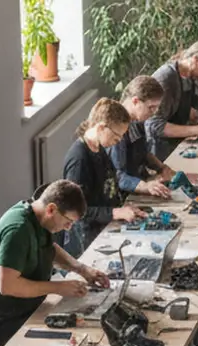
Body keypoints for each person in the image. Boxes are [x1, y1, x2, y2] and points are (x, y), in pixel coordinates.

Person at [0, 180, 112, 346]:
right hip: (3, 322)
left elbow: (48, 248)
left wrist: (82, 269)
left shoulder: (39, 219)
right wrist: (58, 287)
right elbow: (8, 285)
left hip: (27, 310)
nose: (68, 228)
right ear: (51, 209)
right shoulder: (18, 229)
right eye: (68, 221)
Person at [62, 98, 147, 257]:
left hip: (104, 227)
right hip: (86, 239)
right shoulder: (79, 160)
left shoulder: (100, 147)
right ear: (101, 127)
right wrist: (114, 213)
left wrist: (124, 209)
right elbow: (75, 211)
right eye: (117, 135)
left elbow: (109, 186)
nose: (119, 141)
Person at [148, 40, 198, 160]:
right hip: (160, 152)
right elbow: (154, 126)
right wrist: (197, 130)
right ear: (196, 59)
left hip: (177, 145)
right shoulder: (166, 78)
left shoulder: (188, 77)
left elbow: (176, 106)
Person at [108, 76, 175, 199]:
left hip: (138, 182)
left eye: (156, 107)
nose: (154, 112)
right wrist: (146, 186)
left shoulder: (138, 121)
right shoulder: (115, 129)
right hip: (120, 196)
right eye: (151, 107)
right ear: (135, 101)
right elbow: (118, 176)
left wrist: (161, 167)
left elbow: (143, 153)